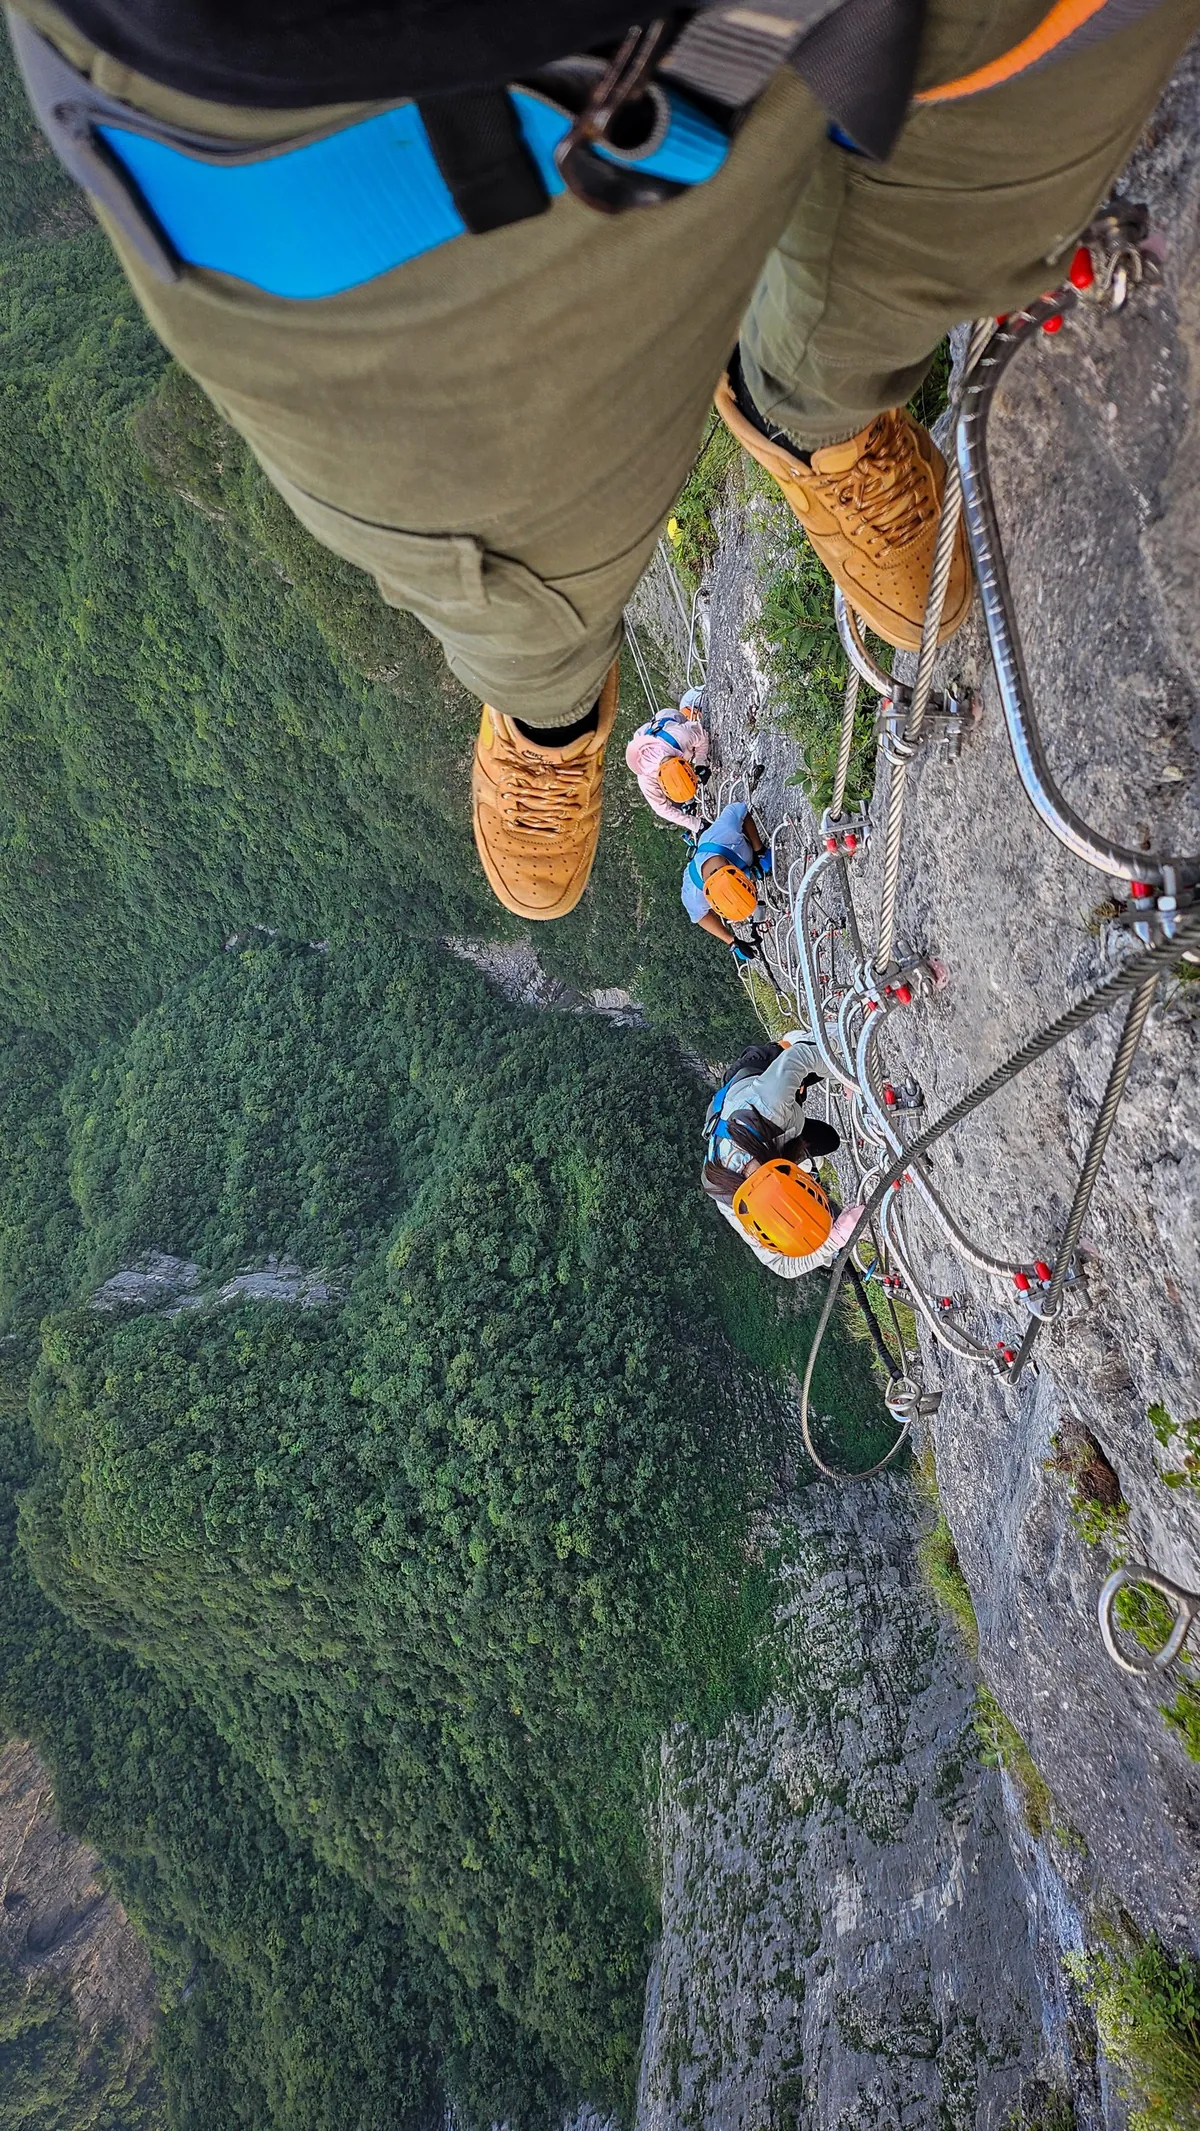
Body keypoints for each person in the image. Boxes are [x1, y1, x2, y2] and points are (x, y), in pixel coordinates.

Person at [11, 0, 1199, 921]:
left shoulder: (706, 834)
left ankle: (809, 408)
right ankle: (548, 706)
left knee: (957, 220)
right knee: (506, 557)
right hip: (369, 88)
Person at [703, 1036, 865, 1278]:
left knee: (812, 1057)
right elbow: (781, 1266)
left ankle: (794, 1040)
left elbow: (799, 1057)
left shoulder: (767, 1105)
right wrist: (836, 1238)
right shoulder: (733, 1202)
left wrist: (847, 1075)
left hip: (757, 1074)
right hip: (777, 1137)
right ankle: (796, 1095)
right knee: (828, 1139)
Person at [681, 799, 770, 953]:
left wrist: (759, 849)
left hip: (734, 849)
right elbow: (699, 916)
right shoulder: (693, 895)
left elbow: (740, 809)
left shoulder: (724, 833)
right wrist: (732, 941)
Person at [624, 686, 709, 829]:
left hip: (669, 718)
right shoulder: (646, 779)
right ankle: (686, 800)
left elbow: (702, 736)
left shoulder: (680, 736)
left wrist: (701, 762)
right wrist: (695, 824)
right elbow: (662, 808)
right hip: (653, 737)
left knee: (687, 716)